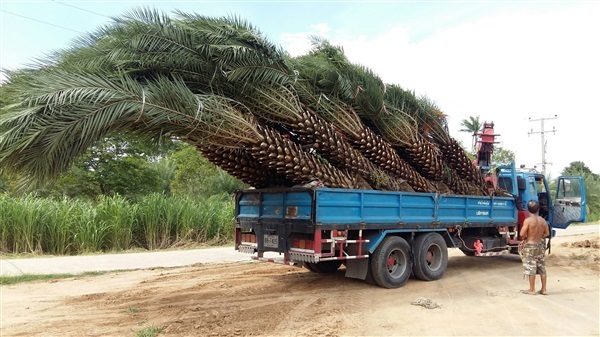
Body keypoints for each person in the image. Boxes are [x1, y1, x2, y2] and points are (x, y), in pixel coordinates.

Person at [519, 200, 550, 295]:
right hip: (540, 246)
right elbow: (547, 234)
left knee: (530, 267)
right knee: (542, 268)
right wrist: (539, 236)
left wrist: (526, 238)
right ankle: (544, 289)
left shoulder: (528, 221)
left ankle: (532, 289)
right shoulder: (543, 221)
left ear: (528, 210)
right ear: (538, 209)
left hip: (530, 246)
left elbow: (521, 234)